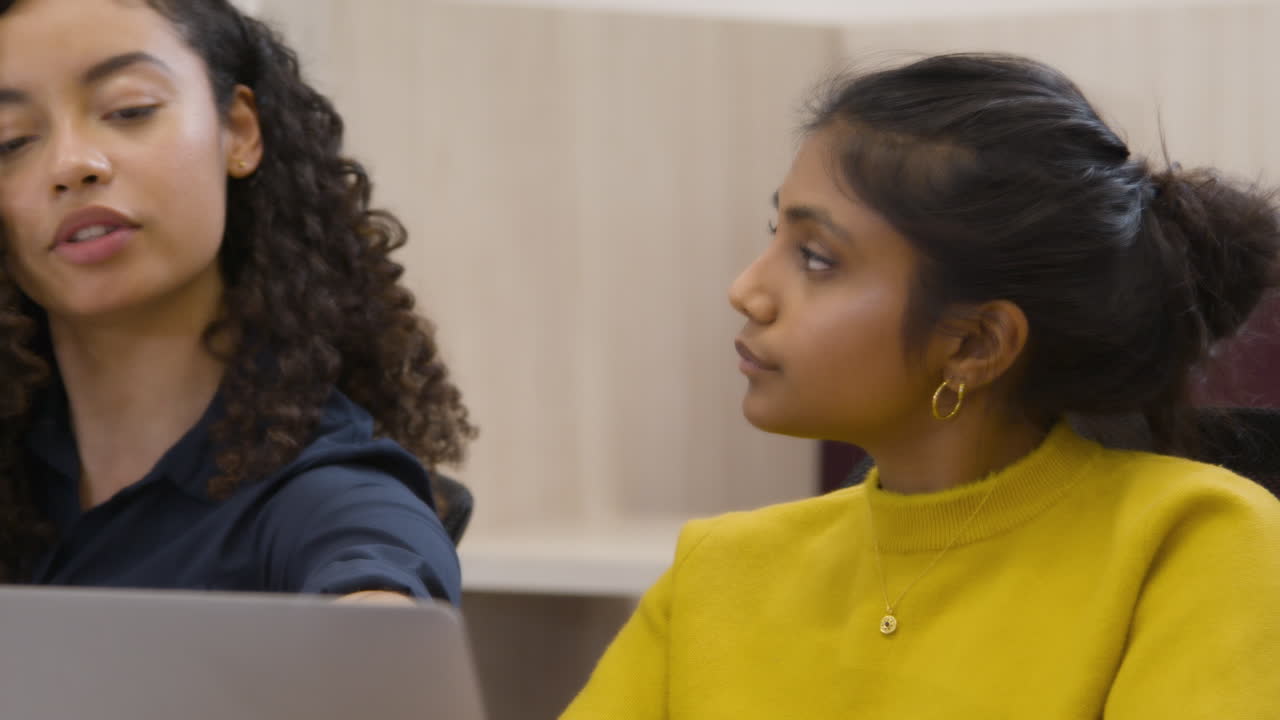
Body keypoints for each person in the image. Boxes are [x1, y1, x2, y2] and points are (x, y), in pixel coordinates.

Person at [562, 53, 1280, 717]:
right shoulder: (718, 567)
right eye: (772, 232)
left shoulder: (1194, 542)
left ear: (975, 343)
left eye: (815, 258)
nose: (746, 289)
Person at [0, 0, 473, 604]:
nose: (72, 164)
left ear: (240, 132)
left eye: (129, 110)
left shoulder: (327, 497)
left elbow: (389, 629)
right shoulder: (24, 465)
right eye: (11, 142)